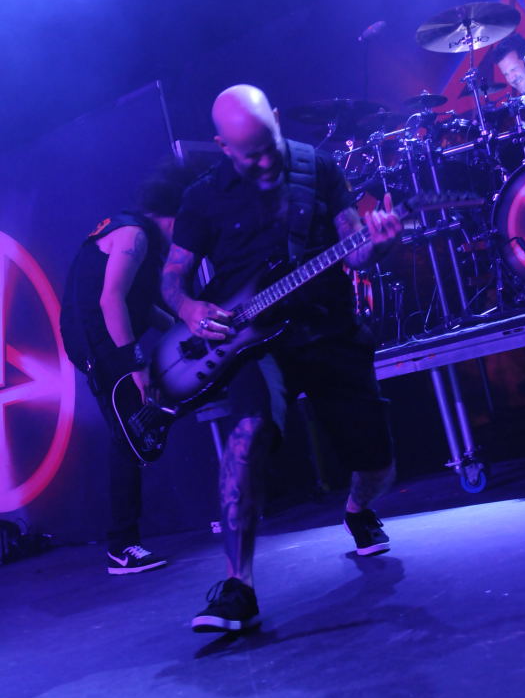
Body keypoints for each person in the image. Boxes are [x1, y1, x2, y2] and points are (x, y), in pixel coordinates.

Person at [160, 84, 402, 633]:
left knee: (378, 463)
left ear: (275, 117)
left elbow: (356, 251)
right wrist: (191, 308)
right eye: (251, 156)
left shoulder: (319, 167)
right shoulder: (202, 196)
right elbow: (172, 278)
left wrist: (381, 241)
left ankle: (357, 510)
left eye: (270, 146)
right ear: (223, 146)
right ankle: (237, 586)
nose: (266, 163)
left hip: (329, 329)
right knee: (244, 439)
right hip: (253, 345)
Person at [60, 164, 191, 575]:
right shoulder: (134, 235)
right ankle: (121, 546)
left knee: (140, 426)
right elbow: (110, 300)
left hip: (110, 336)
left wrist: (184, 329)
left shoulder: (140, 236)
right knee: (126, 439)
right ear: (171, 214)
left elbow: (140, 305)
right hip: (99, 342)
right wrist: (134, 362)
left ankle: (124, 541)